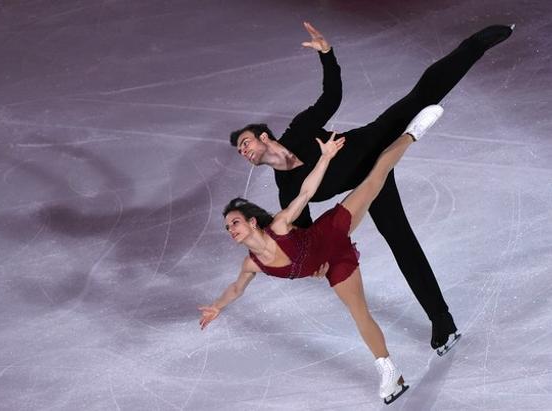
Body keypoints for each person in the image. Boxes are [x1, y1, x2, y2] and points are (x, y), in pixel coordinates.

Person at [229, 22, 514, 355]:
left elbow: (331, 97)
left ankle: (475, 44)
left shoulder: (299, 130)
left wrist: (326, 54)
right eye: (240, 151)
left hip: (374, 138)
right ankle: (442, 321)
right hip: (371, 184)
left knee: (420, 98)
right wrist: (318, 262)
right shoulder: (288, 190)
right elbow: (306, 238)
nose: (244, 150)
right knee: (401, 241)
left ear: (264, 137)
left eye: (246, 142)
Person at [200, 105, 443, 404]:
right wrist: (217, 306)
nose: (231, 229)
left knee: (374, 178)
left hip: (333, 229)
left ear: (251, 222)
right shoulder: (253, 263)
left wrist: (326, 158)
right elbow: (237, 288)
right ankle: (389, 371)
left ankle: (412, 134)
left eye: (234, 222)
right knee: (360, 314)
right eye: (227, 228)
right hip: (334, 264)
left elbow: (305, 192)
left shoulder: (279, 224)